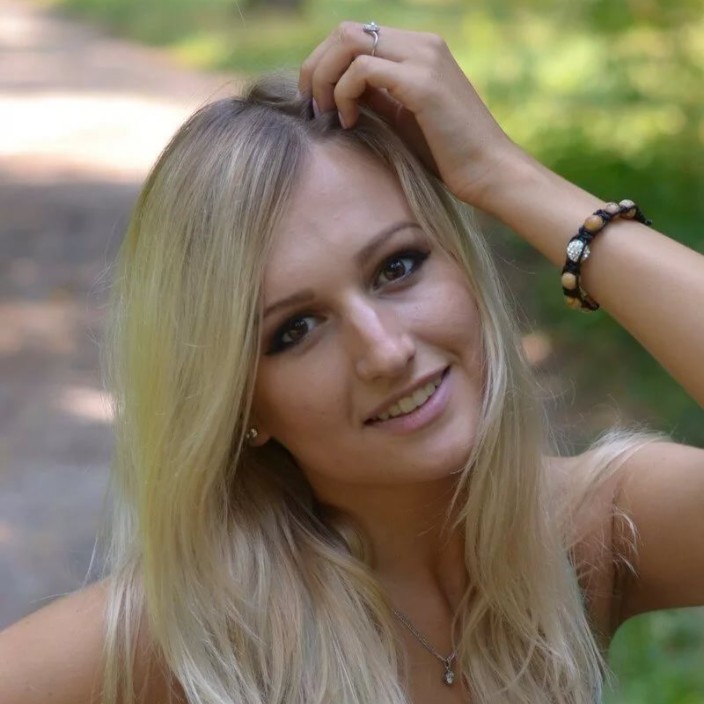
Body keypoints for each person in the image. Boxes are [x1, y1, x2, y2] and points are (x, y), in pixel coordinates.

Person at [1, 20, 703, 704]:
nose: (385, 351)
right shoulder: (190, 634)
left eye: (398, 267)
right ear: (239, 403)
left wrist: (506, 175)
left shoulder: (586, 533)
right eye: (296, 329)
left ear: (460, 261)